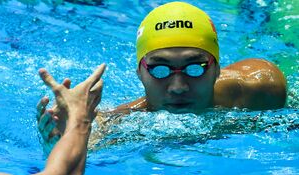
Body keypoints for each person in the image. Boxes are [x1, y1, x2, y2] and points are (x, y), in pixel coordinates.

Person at [37, 1, 287, 145]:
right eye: (159, 69)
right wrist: (61, 139)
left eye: (195, 67)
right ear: (140, 74)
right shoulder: (128, 119)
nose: (178, 86)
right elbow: (90, 142)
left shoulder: (263, 89)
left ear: (217, 70)